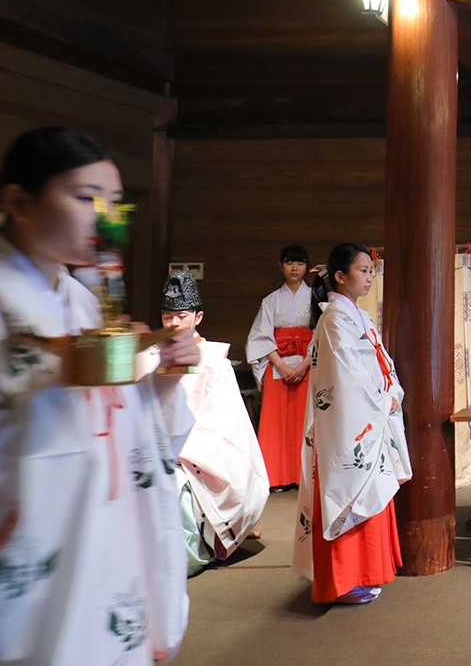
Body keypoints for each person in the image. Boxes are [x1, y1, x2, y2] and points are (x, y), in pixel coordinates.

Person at [0, 126, 201, 662]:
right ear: (18, 202)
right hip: (40, 537)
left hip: (102, 525)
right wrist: (47, 375)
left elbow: (127, 429)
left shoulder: (82, 301)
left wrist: (162, 375)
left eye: (115, 203)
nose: (106, 218)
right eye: (85, 198)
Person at [293, 243, 409, 606]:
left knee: (370, 494)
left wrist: (392, 389)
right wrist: (381, 398)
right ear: (340, 277)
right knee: (348, 492)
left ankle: (365, 573)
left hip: (371, 416)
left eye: (372, 270)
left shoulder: (358, 316)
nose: (369, 276)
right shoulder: (334, 321)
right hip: (349, 425)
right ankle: (343, 580)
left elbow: (379, 363)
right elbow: (344, 377)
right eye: (363, 270)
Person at [159, 270, 270, 576]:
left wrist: (178, 453)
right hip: (160, 449)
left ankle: (178, 557)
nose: (173, 324)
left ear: (198, 317)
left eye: (181, 316)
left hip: (196, 457)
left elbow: (223, 423)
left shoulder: (214, 361)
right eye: (168, 317)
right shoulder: (155, 356)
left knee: (171, 484)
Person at [246, 244, 315, 489]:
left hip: (306, 363)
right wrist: (281, 366)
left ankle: (303, 476)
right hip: (278, 363)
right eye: (289, 262)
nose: (294, 267)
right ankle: (277, 476)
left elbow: (320, 335)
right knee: (277, 424)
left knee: (304, 421)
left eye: (299, 263)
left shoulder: (315, 298)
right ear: (281, 266)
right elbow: (261, 337)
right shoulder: (271, 301)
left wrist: (306, 363)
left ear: (307, 267)